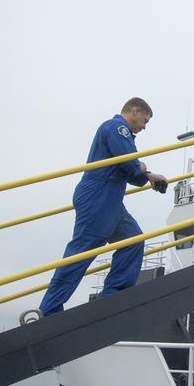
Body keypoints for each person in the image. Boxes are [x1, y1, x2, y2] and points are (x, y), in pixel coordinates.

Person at [38, 98, 168, 316]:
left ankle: (113, 295)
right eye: (144, 120)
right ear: (135, 111)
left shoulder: (121, 133)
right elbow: (129, 162)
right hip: (98, 197)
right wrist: (143, 168)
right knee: (82, 251)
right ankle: (48, 310)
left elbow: (131, 171)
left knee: (133, 240)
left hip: (111, 200)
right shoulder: (116, 128)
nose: (144, 126)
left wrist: (144, 172)